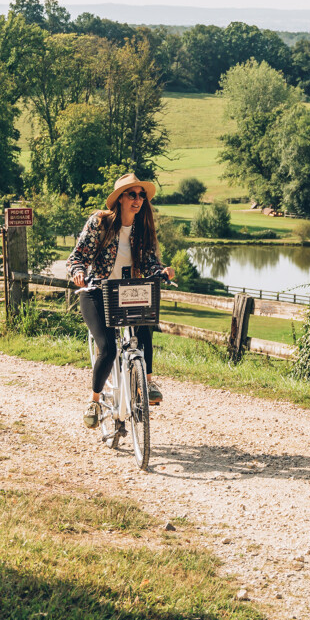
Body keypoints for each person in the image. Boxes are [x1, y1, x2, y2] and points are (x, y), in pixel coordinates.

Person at [68, 172, 175, 428]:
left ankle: (147, 382)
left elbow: (149, 261)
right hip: (96, 291)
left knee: (145, 327)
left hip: (128, 292)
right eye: (132, 194)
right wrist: (78, 272)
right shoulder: (100, 222)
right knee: (108, 348)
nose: (138, 200)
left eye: (141, 195)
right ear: (120, 199)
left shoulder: (142, 229)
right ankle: (94, 401)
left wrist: (161, 271)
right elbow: (77, 256)